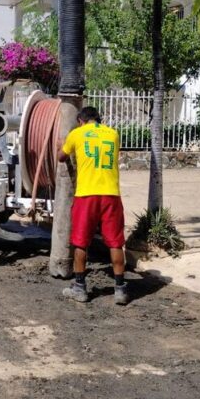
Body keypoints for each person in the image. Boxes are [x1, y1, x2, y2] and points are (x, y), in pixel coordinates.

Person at [57, 106, 128, 305]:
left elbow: (61, 157)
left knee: (80, 242)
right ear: (98, 119)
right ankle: (120, 289)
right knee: (115, 242)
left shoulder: (76, 134)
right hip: (111, 194)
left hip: (86, 195)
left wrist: (60, 145)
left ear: (80, 120)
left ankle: (79, 288)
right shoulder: (113, 134)